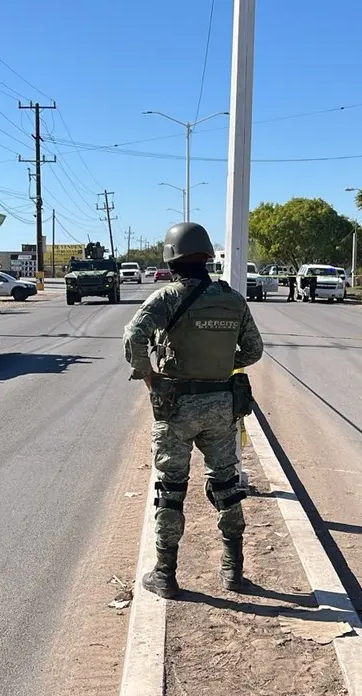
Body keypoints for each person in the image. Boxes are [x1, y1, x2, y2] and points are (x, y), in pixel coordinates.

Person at [123, 222, 265, 599]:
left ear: (171, 260)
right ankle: (233, 571)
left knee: (171, 490)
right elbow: (253, 350)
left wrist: (148, 376)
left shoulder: (167, 298)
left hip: (176, 406)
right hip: (221, 405)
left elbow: (133, 336)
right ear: (206, 257)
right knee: (227, 486)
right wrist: (219, 364)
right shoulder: (232, 299)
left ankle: (166, 576)